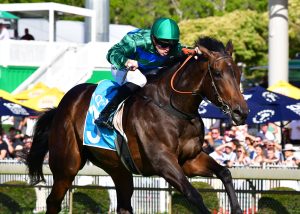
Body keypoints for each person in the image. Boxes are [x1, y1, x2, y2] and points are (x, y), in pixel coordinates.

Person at [94, 17, 198, 130]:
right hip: (121, 67)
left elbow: (183, 50)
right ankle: (105, 115)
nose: (167, 49)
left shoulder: (171, 46)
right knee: (140, 80)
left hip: (145, 68)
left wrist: (197, 51)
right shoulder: (136, 41)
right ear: (153, 38)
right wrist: (126, 61)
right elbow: (111, 53)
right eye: (163, 44)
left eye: (171, 44)